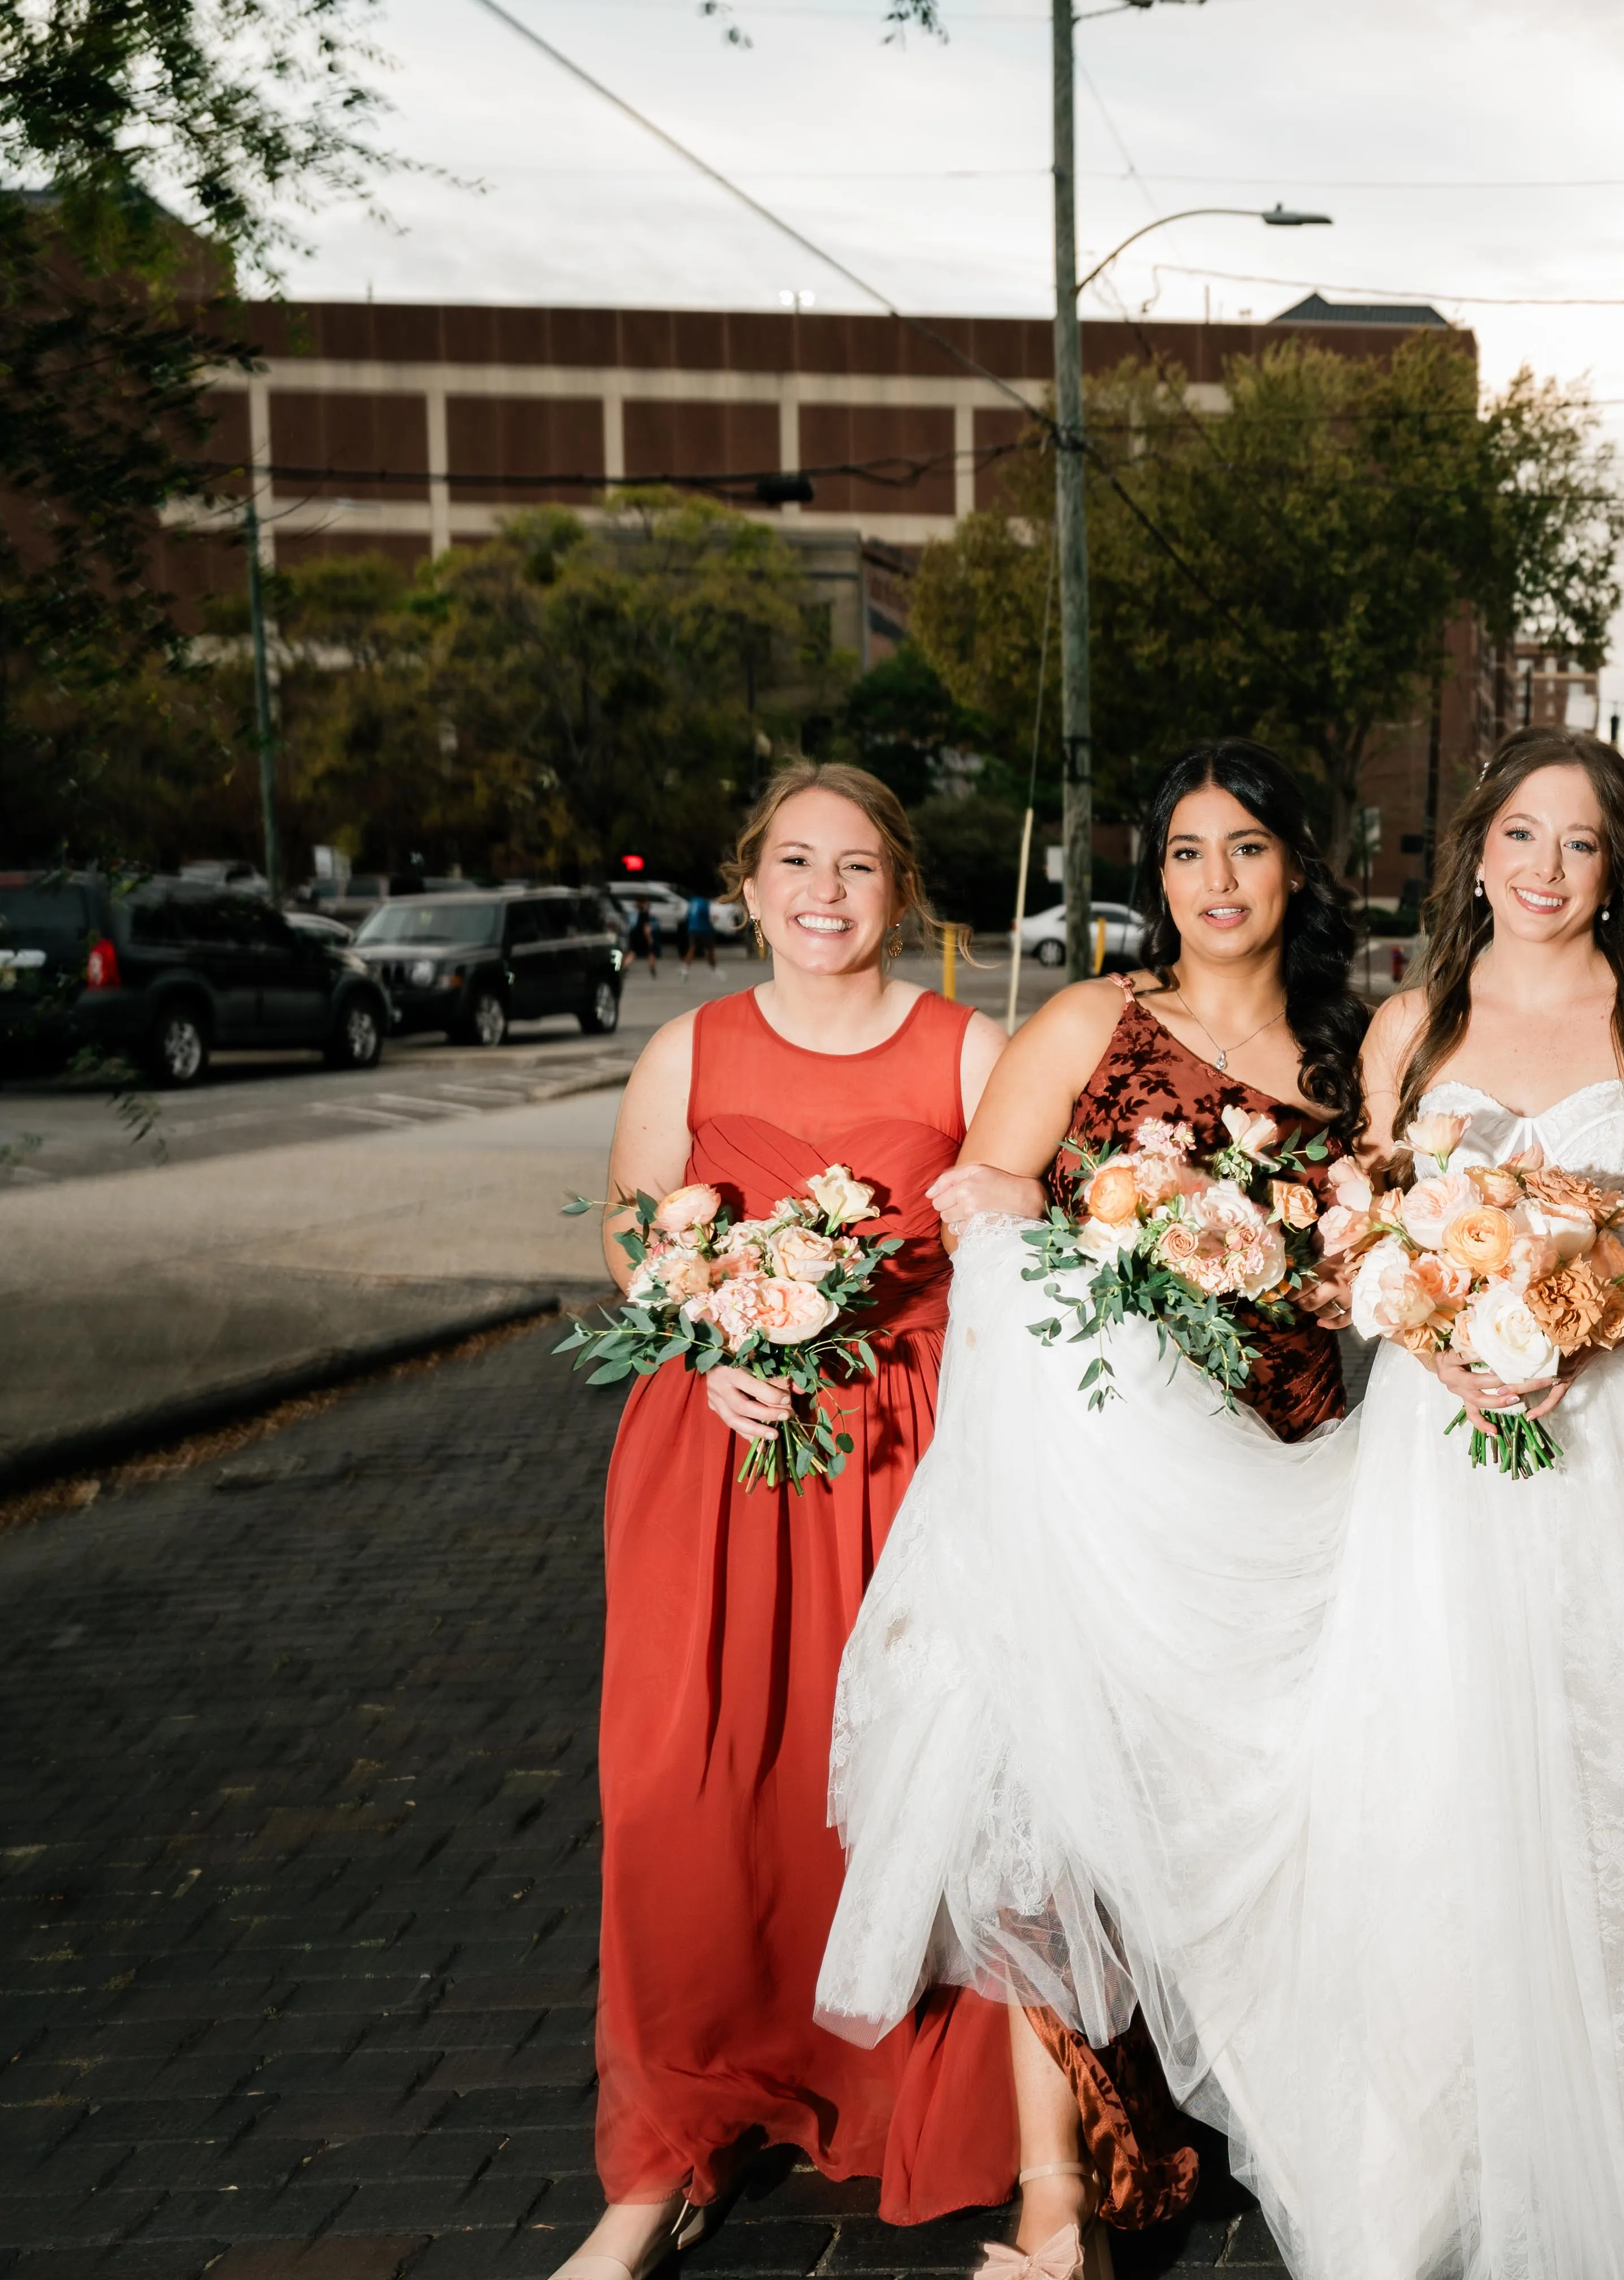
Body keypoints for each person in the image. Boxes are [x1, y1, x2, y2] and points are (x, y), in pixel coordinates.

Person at [821, 726, 1624, 2280]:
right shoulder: (1409, 1032)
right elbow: (1369, 1246)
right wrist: (1452, 1321)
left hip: (1611, 1447)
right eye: (1518, 834)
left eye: (1577, 841)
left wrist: (1578, 1305)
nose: (1544, 867)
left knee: (1613, 1763)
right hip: (1412, 1451)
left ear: (1619, 862)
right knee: (1428, 1780)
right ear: (1476, 850)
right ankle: (1348, 2162)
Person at [897, 739, 1370, 2262]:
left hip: (1289, 1473)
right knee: (1068, 1810)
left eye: (1246, 846)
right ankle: (1066, 2201)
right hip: (1107, 1483)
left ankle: (1263, 2106)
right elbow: (981, 1202)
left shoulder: (1352, 1060)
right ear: (1153, 874)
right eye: (1185, 850)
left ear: (1297, 864)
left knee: (1256, 1816)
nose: (1215, 879)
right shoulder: (1100, 1020)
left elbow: (1378, 1260)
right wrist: (1120, 1244)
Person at [559, 763, 1013, 2280]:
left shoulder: (967, 1047)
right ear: (748, 883)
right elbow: (638, 1229)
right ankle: (676, 2133)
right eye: (798, 863)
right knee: (682, 1793)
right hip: (717, 1468)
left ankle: (911, 2090)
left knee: (894, 1789)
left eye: (862, 866)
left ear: (905, 893)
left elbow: (1030, 1254)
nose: (827, 892)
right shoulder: (689, 1048)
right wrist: (709, 1337)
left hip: (903, 1467)